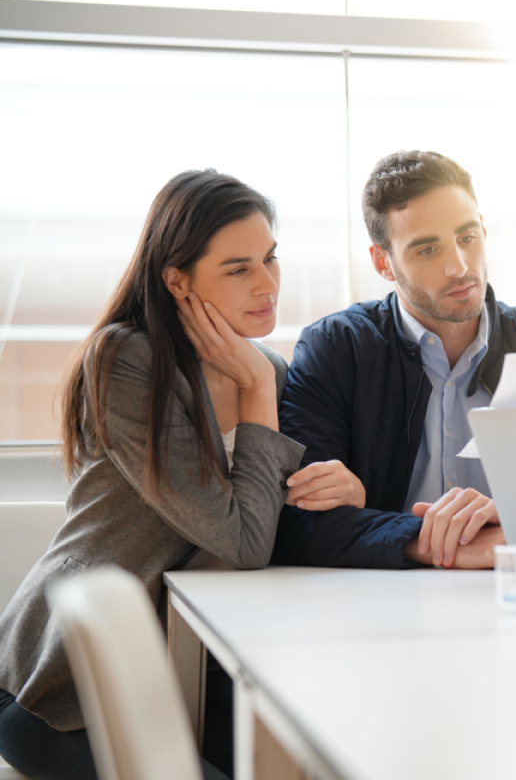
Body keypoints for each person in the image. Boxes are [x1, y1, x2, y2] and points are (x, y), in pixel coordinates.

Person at [0, 170, 307, 780]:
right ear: (176, 280)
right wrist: (259, 388)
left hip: (188, 663)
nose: (268, 285)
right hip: (61, 682)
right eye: (238, 268)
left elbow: (272, 520)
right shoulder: (127, 358)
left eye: (271, 259)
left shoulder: (263, 366)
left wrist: (335, 488)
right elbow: (243, 542)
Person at [271, 150, 516, 570]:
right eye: (427, 250)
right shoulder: (336, 350)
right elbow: (296, 522)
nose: (458, 267)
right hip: (382, 601)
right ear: (384, 262)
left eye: (467, 238)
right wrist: (431, 543)